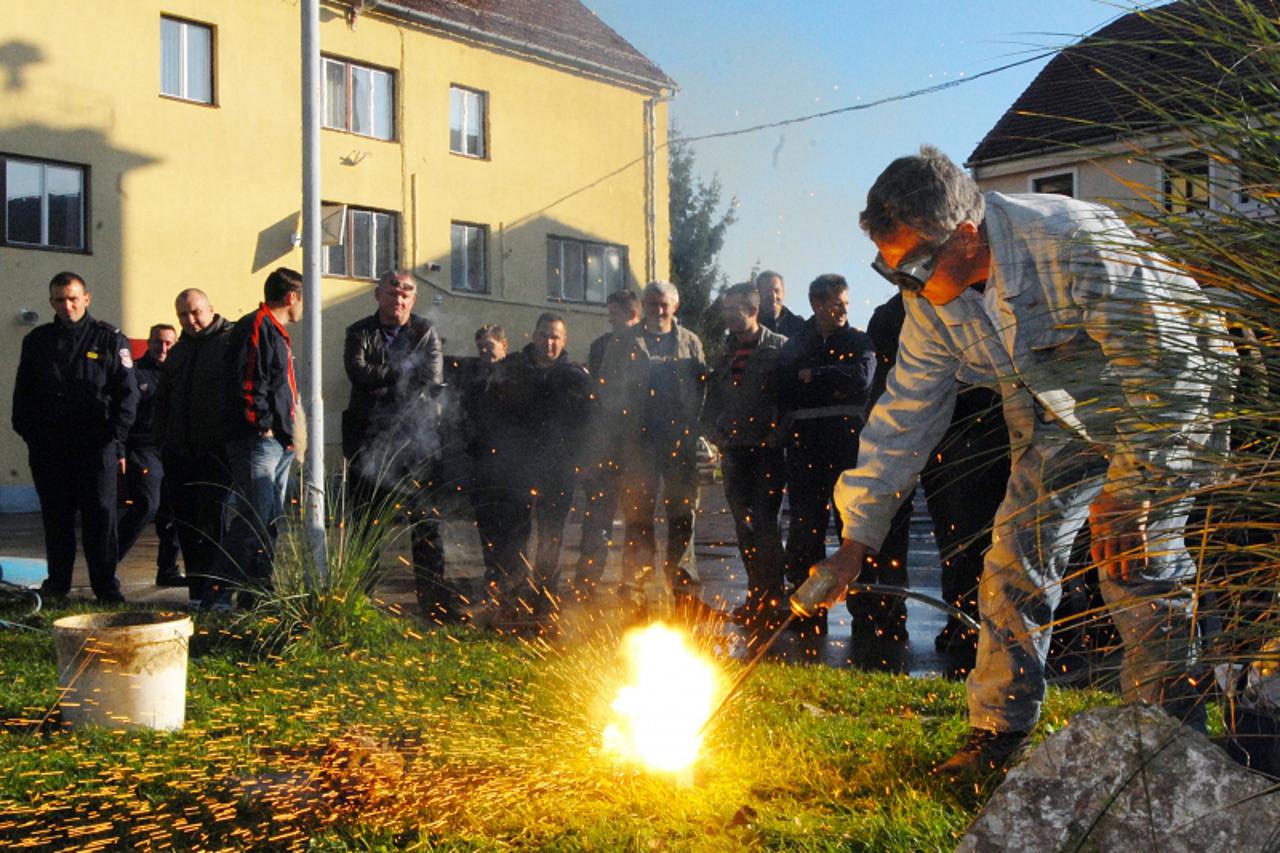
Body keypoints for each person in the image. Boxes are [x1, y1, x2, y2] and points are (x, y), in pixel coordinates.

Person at [803, 146, 1232, 776]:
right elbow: (905, 416)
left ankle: (1170, 746)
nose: (906, 287)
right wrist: (856, 538)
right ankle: (997, 737)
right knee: (1012, 560)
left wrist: (1133, 490)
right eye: (890, 271)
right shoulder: (932, 303)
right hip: (1061, 411)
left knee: (1136, 562)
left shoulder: (1071, 242)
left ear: (966, 237)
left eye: (912, 267)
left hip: (1166, 400)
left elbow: (1171, 373)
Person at [860, 293, 1010, 654]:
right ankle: (947, 615)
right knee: (943, 535)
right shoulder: (891, 315)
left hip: (970, 435)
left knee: (968, 535)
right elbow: (889, 382)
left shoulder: (963, 302)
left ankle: (969, 618)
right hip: (924, 433)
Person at [12, 272, 138, 603]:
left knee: (101, 517)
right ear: (51, 301)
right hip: (50, 448)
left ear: (86, 298)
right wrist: (32, 436)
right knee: (56, 517)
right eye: (59, 299)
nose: (66, 305)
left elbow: (127, 396)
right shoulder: (38, 341)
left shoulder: (109, 339)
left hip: (96, 448)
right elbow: (23, 396)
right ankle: (57, 586)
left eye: (72, 298)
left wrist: (114, 437)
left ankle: (105, 587)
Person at [466, 314, 591, 622]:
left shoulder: (576, 376)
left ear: (564, 341)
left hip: (558, 470)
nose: (549, 343)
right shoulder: (511, 370)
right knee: (515, 537)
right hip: (517, 467)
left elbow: (589, 423)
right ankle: (512, 600)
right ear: (534, 336)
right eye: (544, 335)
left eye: (555, 338)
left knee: (552, 537)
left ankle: (547, 601)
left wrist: (579, 460)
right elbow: (488, 413)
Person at [341, 270, 449, 619]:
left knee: (426, 525)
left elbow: (430, 381)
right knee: (365, 524)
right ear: (378, 296)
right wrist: (401, 372)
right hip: (369, 440)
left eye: (405, 296)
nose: (398, 301)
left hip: (414, 442)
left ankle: (433, 604)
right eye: (391, 294)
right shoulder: (358, 331)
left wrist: (384, 375)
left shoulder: (425, 332)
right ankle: (360, 601)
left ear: (412, 300)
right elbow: (357, 373)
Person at [776, 274, 876, 637]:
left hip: (847, 443)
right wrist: (819, 379)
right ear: (816, 304)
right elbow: (783, 384)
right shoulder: (798, 342)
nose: (841, 311)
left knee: (852, 527)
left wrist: (815, 375)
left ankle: (868, 616)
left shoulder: (859, 340)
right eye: (834, 304)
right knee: (805, 526)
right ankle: (805, 610)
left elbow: (860, 380)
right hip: (805, 444)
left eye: (845, 304)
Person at [599, 281, 707, 603]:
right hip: (638, 444)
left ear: (675, 306)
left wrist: (695, 431)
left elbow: (702, 390)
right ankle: (635, 587)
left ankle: (683, 586)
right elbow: (605, 387)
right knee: (638, 517)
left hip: (679, 444)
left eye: (664, 305)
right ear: (643, 306)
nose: (658, 311)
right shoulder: (623, 342)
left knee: (682, 516)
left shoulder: (691, 342)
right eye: (652, 304)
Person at [215, 267, 303, 607]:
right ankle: (218, 591)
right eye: (301, 300)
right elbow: (248, 381)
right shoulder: (256, 326)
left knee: (270, 519)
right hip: (259, 440)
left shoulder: (277, 332)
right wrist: (262, 424)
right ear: (291, 296)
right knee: (255, 514)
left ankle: (257, 590)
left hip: (278, 440)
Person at [705, 282, 788, 636]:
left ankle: (774, 599)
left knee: (767, 527)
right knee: (744, 527)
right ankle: (756, 596)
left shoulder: (779, 349)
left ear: (752, 310)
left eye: (733, 310)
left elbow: (790, 401)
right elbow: (712, 400)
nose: (726, 316)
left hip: (767, 451)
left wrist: (777, 436)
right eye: (725, 309)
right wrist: (715, 433)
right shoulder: (724, 352)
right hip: (734, 450)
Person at [154, 288, 235, 604]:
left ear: (211, 309)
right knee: (187, 525)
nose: (190, 320)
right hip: (179, 451)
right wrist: (162, 441)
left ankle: (220, 592)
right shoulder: (179, 351)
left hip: (216, 452)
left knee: (215, 525)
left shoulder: (229, 343)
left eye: (195, 312)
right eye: (183, 315)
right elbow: (163, 400)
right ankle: (198, 591)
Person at [573, 289, 641, 600]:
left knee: (636, 521)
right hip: (604, 448)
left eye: (615, 313)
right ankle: (586, 582)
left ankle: (632, 584)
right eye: (609, 313)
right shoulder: (600, 347)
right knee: (597, 518)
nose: (610, 318)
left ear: (632, 313)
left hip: (637, 451)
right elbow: (593, 398)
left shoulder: (646, 344)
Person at [117, 323, 185, 586]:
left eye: (169, 343)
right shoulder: (134, 373)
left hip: (173, 448)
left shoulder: (179, 373)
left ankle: (167, 570)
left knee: (175, 510)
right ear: (149, 342)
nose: (163, 348)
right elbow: (123, 411)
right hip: (142, 448)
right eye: (158, 342)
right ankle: (107, 562)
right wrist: (120, 448)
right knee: (147, 505)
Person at [755, 270, 806, 338]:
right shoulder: (751, 325)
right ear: (758, 295)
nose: (773, 296)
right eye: (767, 291)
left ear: (783, 293)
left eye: (777, 291)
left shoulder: (799, 326)